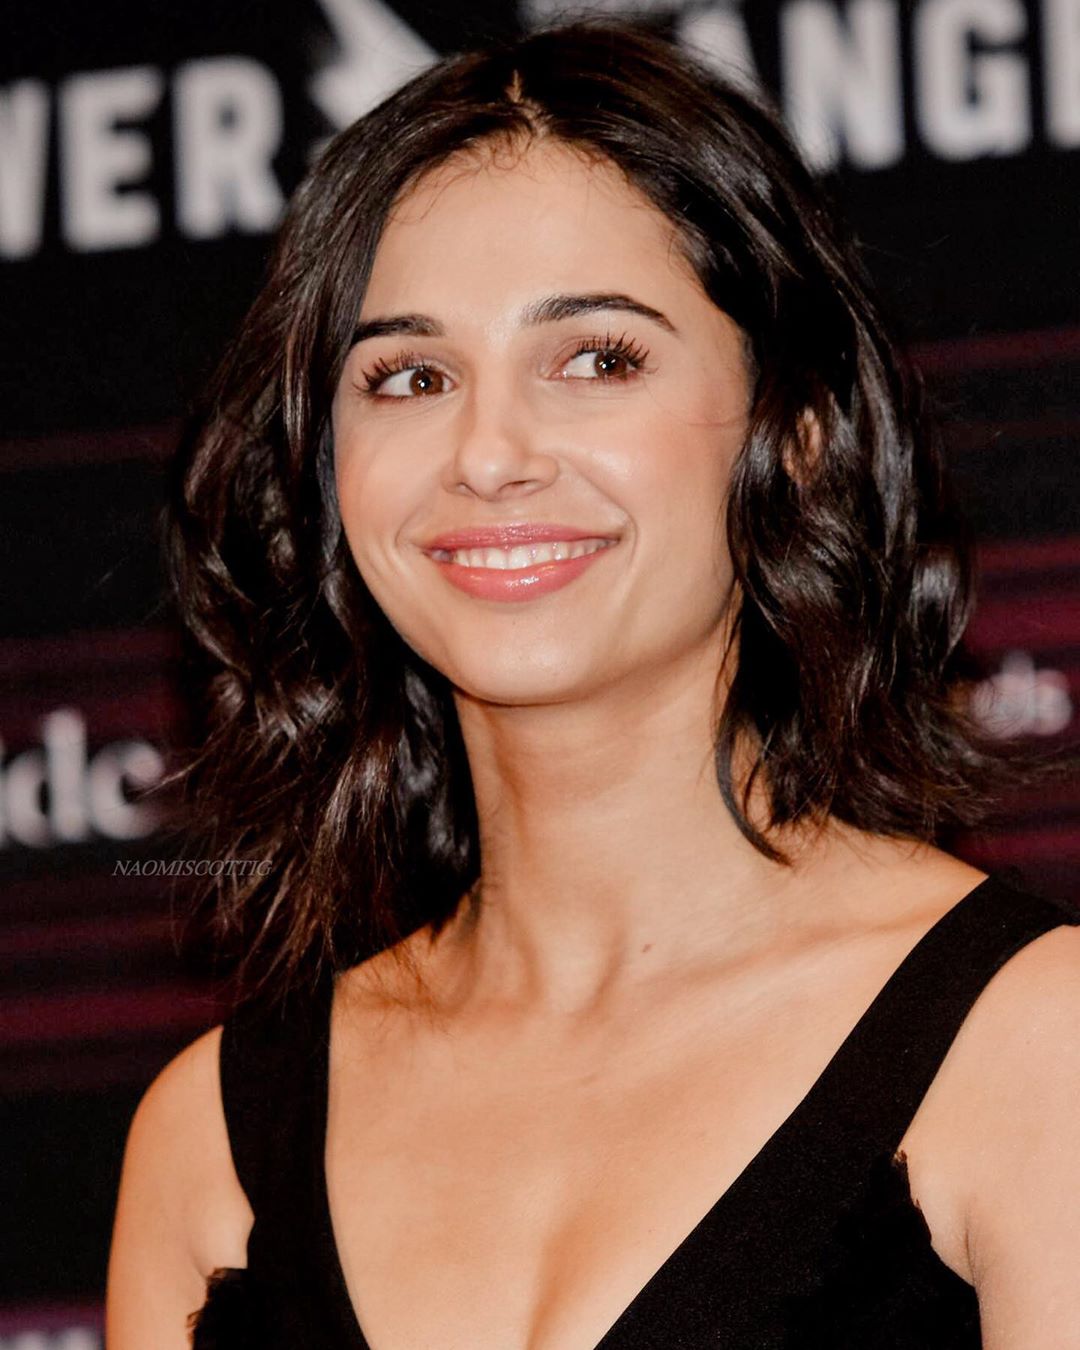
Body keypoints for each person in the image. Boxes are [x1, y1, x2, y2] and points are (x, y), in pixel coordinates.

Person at [105, 19, 1080, 1349]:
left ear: (796, 435)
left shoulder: (1034, 1045)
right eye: (410, 376)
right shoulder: (209, 1140)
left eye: (597, 359)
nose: (489, 452)